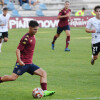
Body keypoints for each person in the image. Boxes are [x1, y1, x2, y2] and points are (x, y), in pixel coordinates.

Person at [0, 20, 55, 97]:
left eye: (37, 29)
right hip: (22, 64)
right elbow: (18, 49)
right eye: (34, 29)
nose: (36, 31)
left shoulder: (33, 36)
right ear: (30, 28)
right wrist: (19, 60)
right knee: (13, 78)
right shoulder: (25, 38)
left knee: (43, 73)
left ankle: (44, 91)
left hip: (29, 64)